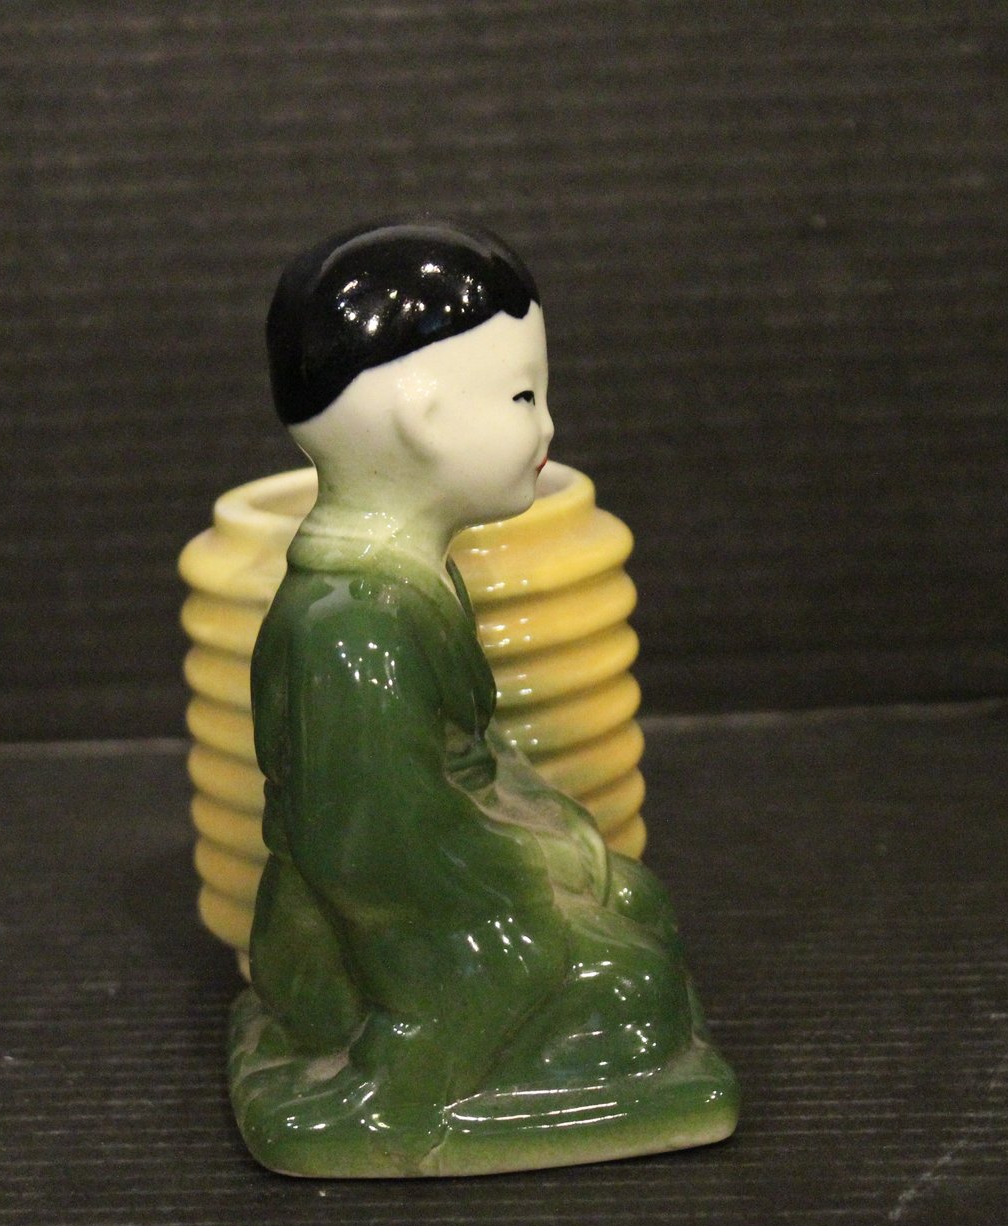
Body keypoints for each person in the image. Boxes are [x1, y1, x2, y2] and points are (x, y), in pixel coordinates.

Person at [229, 217, 737, 1176]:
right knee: (634, 987)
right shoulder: (351, 628)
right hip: (377, 945)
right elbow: (375, 851)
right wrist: (532, 875)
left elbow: (469, 764)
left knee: (637, 899)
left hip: (454, 874)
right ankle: (405, 1071)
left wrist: (546, 828)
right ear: (424, 418)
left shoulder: (409, 578)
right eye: (523, 396)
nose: (547, 429)